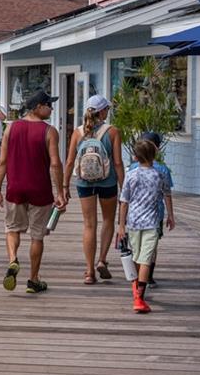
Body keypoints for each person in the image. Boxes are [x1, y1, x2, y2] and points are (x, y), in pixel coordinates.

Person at [0, 90, 65, 294]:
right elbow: (56, 164)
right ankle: (33, 280)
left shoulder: (11, 129)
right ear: (38, 107)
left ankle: (13, 260)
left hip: (15, 188)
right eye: (48, 105)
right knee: (37, 237)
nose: (51, 108)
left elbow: (2, 162)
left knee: (12, 229)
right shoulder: (49, 131)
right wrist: (61, 192)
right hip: (40, 190)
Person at [62, 93, 125, 284]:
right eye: (107, 108)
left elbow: (70, 161)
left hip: (84, 183)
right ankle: (102, 260)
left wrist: (65, 186)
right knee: (107, 220)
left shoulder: (78, 132)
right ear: (102, 111)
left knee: (89, 224)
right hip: (108, 181)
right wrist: (125, 187)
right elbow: (117, 163)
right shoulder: (113, 131)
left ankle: (89, 271)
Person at [114, 138, 174, 313]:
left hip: (133, 222)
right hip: (152, 222)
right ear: (154, 156)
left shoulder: (131, 175)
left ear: (135, 156)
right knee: (146, 259)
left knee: (137, 257)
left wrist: (121, 225)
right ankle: (139, 297)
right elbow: (167, 194)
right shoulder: (159, 174)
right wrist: (171, 215)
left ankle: (136, 288)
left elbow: (123, 201)